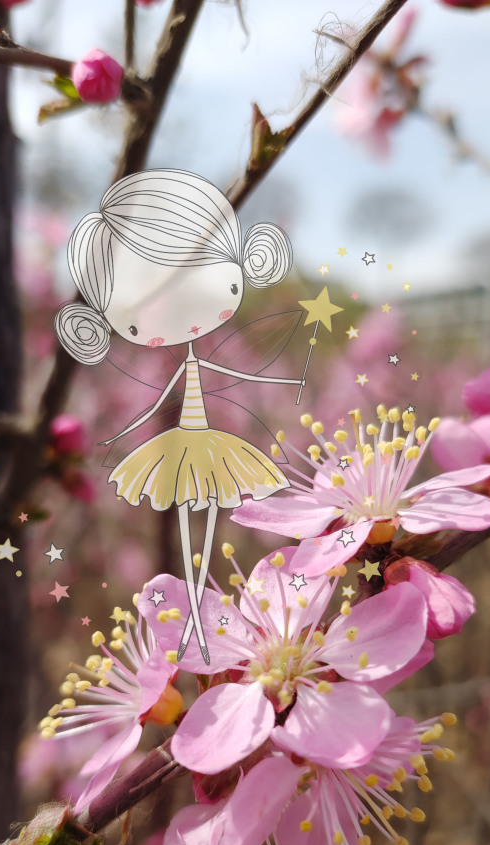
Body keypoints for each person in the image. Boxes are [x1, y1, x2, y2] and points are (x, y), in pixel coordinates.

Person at [55, 168, 304, 664]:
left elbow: (234, 375)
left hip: (205, 442)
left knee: (208, 523)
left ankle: (205, 620)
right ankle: (194, 619)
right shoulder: (173, 352)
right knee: (196, 522)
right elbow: (169, 390)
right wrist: (125, 431)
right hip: (184, 443)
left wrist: (276, 380)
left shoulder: (195, 348)